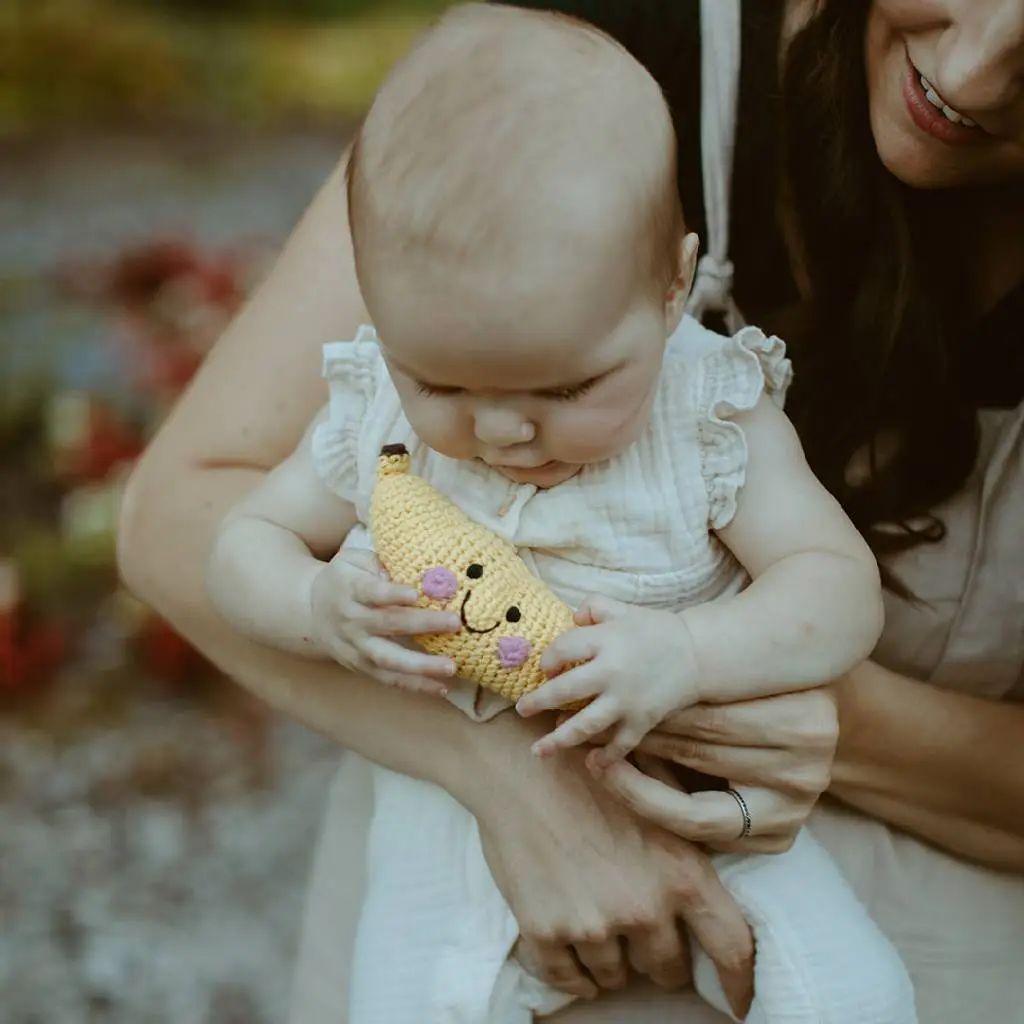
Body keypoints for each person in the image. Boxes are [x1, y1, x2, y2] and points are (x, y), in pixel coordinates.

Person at [116, 0, 1024, 1021]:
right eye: (447, 388)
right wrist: (315, 603)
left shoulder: (708, 406)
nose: (502, 434)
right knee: (409, 987)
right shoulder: (380, 402)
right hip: (446, 808)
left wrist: (689, 656)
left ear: (673, 288)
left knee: (851, 990)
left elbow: (832, 586)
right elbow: (229, 533)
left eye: (562, 392)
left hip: (723, 807)